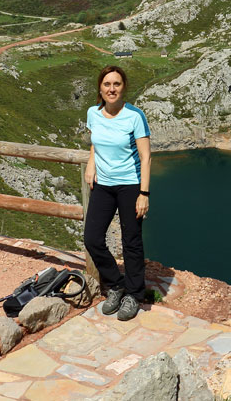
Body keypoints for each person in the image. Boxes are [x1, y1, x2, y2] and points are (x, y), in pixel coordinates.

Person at [83, 65, 151, 321]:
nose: (112, 89)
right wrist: (91, 164)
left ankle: (134, 294)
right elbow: (95, 143)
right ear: (100, 88)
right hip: (103, 184)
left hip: (130, 185)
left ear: (124, 87)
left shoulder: (135, 116)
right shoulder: (93, 113)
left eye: (117, 84)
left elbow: (145, 157)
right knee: (92, 238)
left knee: (131, 242)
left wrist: (144, 193)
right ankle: (116, 284)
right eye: (107, 84)